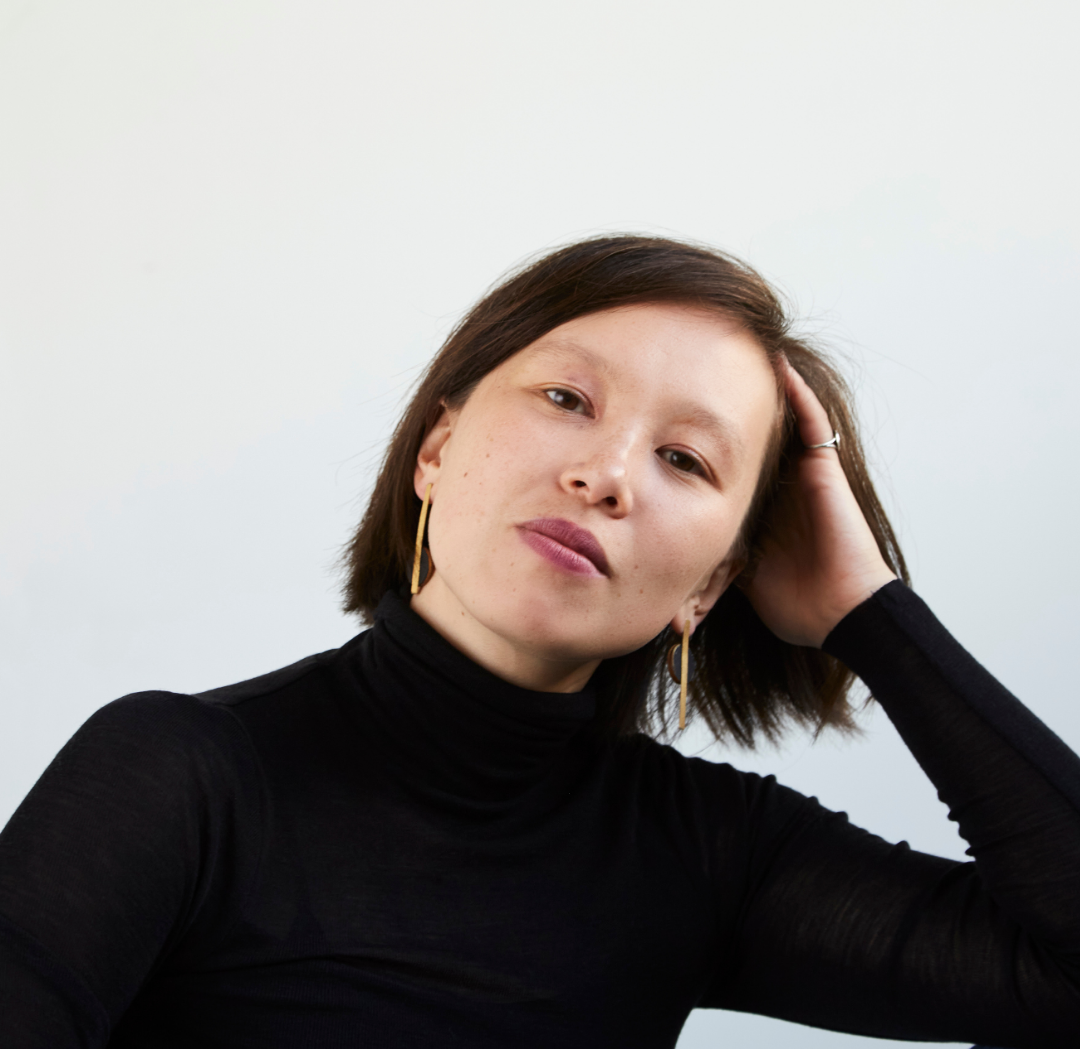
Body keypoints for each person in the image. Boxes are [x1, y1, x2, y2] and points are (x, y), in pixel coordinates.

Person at [1, 235, 1077, 1049]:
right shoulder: (180, 774)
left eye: (685, 460)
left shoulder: (708, 853)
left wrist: (870, 613)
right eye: (567, 398)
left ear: (711, 585)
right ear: (436, 447)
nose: (604, 474)